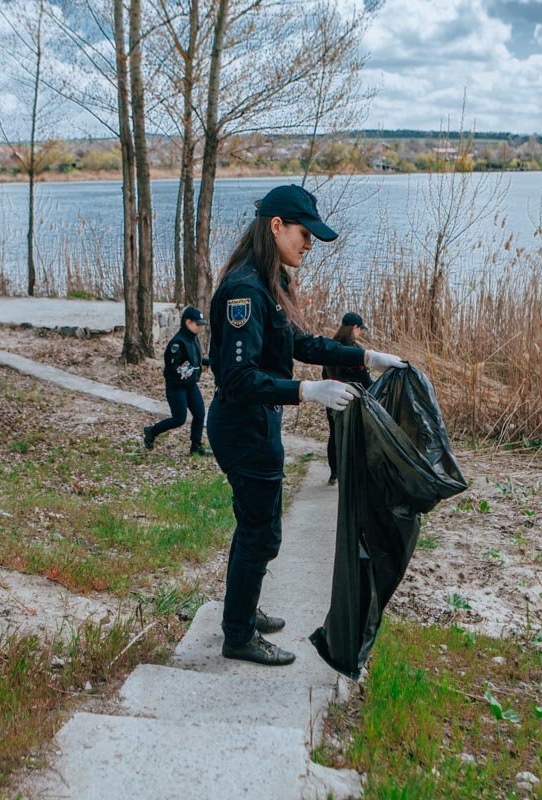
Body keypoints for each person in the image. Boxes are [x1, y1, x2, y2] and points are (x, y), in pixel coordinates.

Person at [206, 184, 406, 667]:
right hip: (243, 428)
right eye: (303, 233)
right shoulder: (244, 291)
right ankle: (238, 634)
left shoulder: (270, 281)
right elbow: (237, 378)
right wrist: (304, 391)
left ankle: (242, 612)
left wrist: (365, 356)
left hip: (260, 424)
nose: (309, 243)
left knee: (255, 527)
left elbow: (303, 344)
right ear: (276, 226)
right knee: (261, 532)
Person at [144, 306, 211, 456]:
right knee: (179, 419)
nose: (200, 327)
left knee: (200, 414)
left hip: (190, 385)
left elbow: (195, 360)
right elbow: (174, 368)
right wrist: (190, 370)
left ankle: (196, 446)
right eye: (197, 324)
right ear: (188, 322)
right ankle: (151, 431)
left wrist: (210, 362)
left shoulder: (193, 339)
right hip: (176, 387)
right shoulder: (177, 343)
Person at [322, 312, 372, 485]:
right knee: (354, 436)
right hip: (352, 400)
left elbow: (324, 376)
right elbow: (365, 381)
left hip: (331, 398)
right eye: (360, 329)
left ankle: (334, 473)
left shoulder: (329, 347)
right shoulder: (356, 352)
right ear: (355, 328)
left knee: (334, 435)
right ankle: (352, 474)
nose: (361, 333)